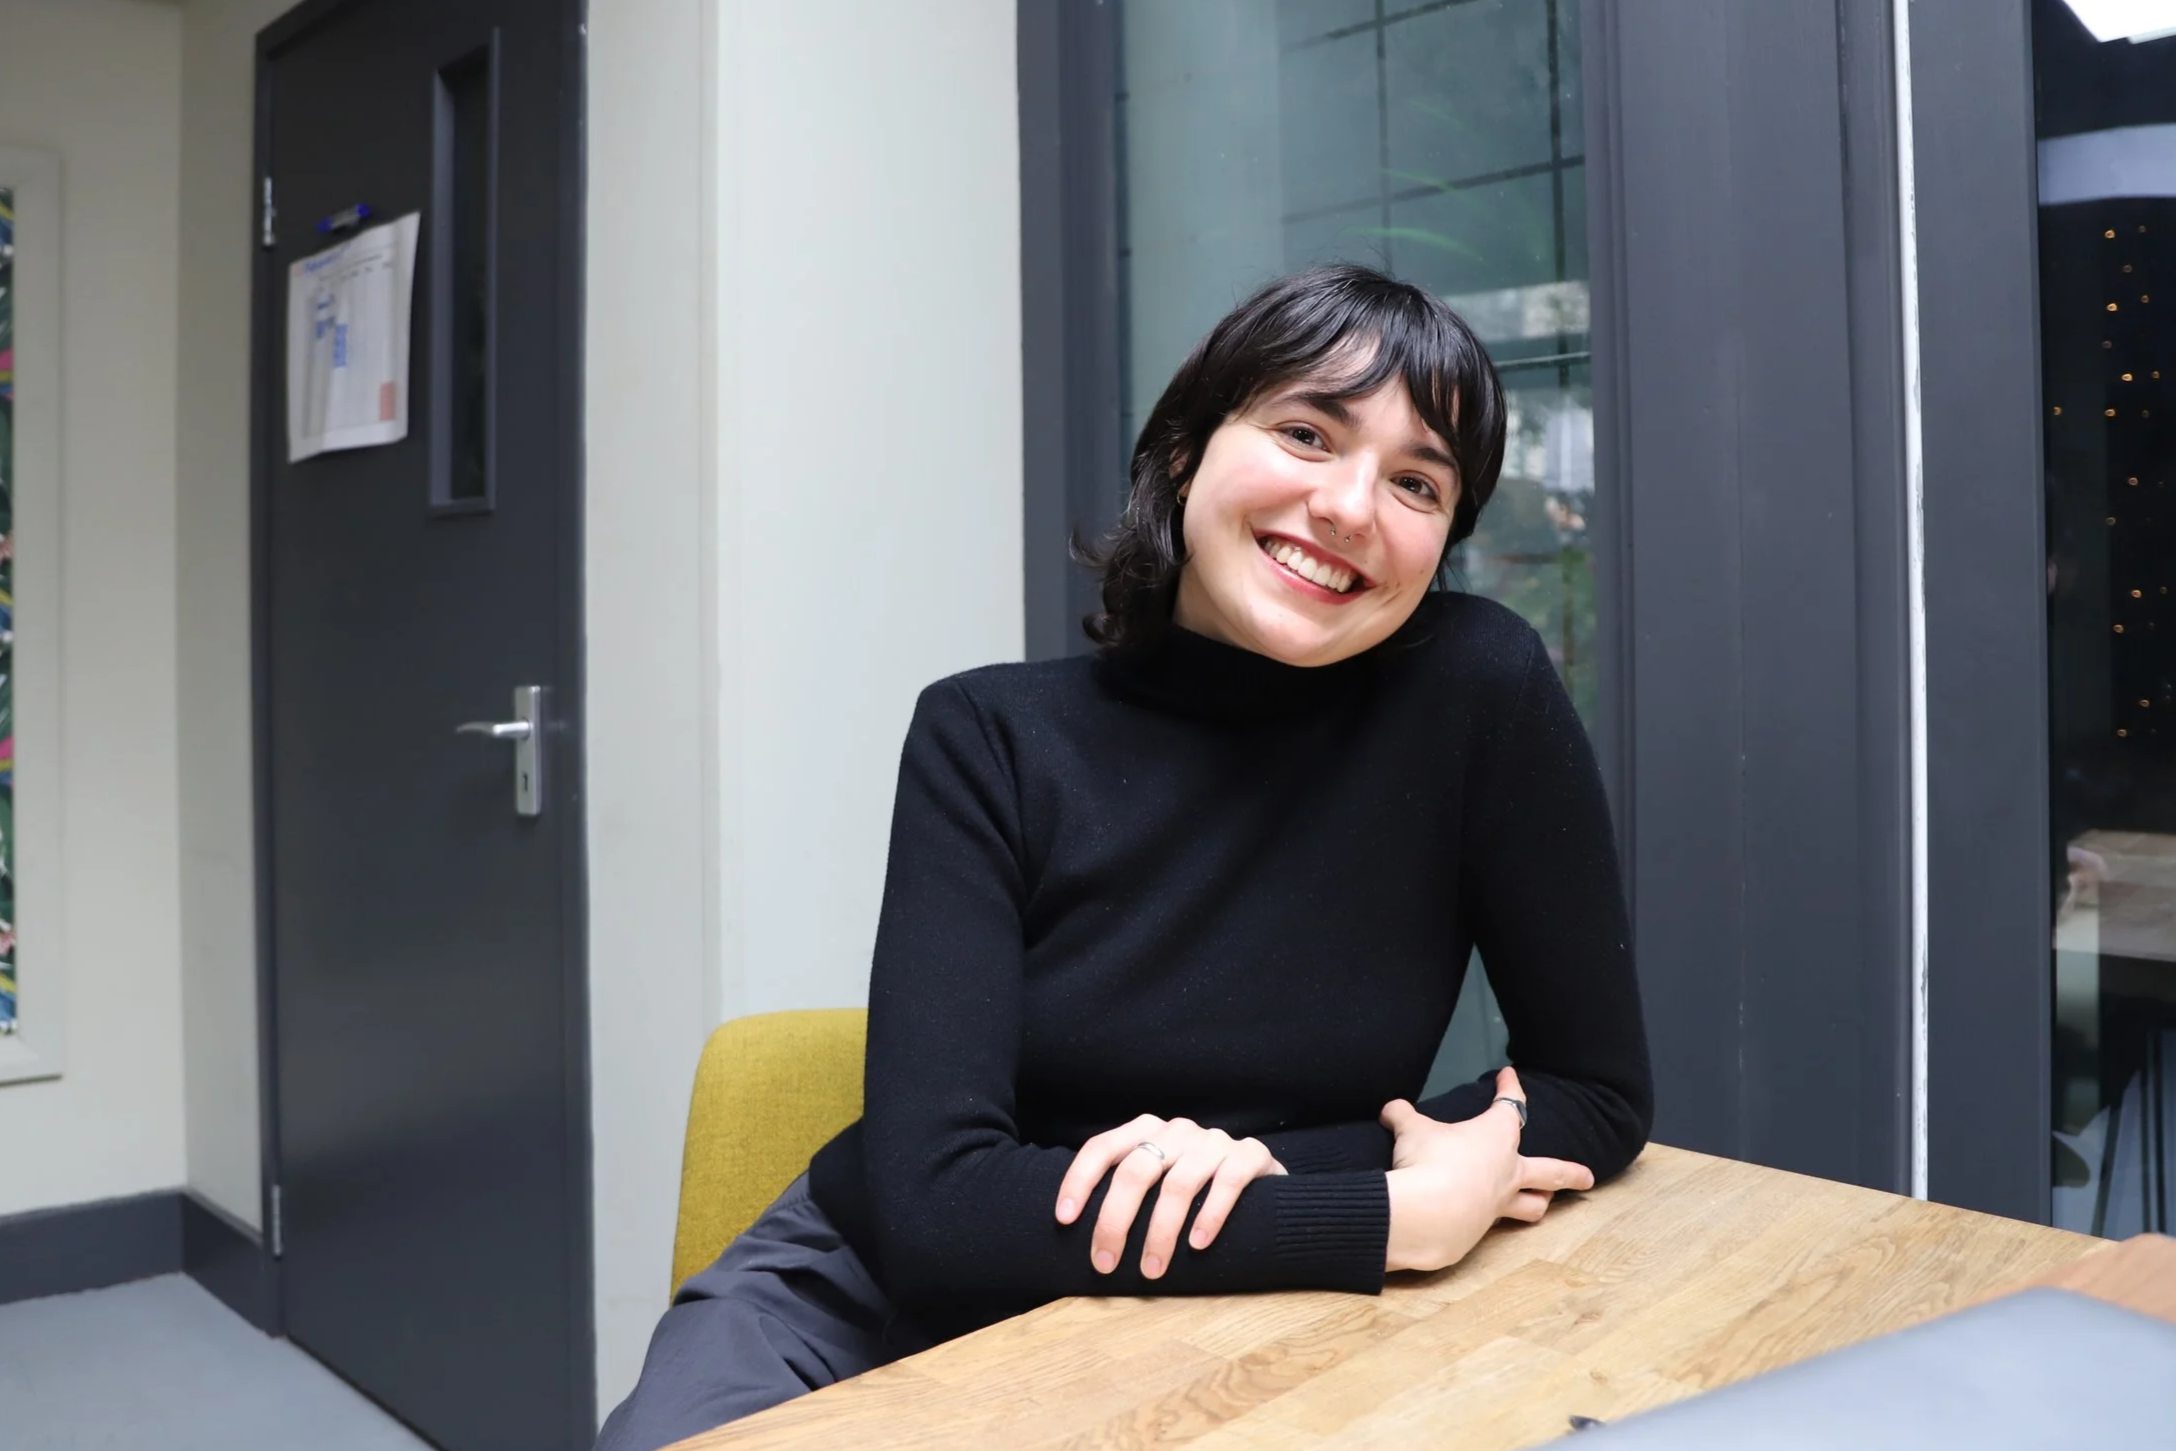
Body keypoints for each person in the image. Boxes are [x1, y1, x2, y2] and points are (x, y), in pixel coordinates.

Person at [596, 264, 1652, 1450]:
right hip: (874, 1295)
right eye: (1307, 432)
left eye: (1417, 481)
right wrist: (1387, 1210)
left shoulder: (1475, 693)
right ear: (1186, 450)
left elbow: (1595, 1087)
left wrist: (1263, 1177)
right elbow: (938, 1205)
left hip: (1234, 1306)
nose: (1351, 505)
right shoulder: (987, 733)